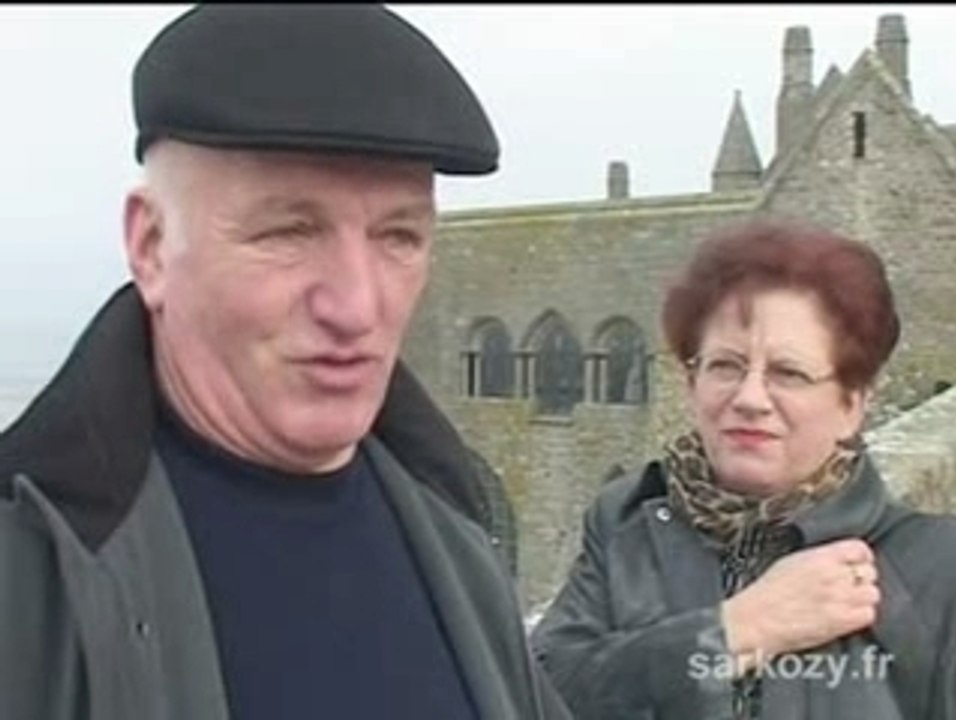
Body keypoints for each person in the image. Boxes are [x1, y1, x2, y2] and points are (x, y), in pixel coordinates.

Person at [0, 6, 571, 720]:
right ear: (150, 246)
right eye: (290, 231)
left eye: (399, 236)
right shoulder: (30, 577)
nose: (358, 306)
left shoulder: (454, 523)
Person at [532, 219, 956, 719]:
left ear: (854, 402)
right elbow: (531, 694)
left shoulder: (939, 570)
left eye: (789, 373)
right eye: (726, 366)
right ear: (692, 381)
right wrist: (735, 632)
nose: (750, 398)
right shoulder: (627, 525)